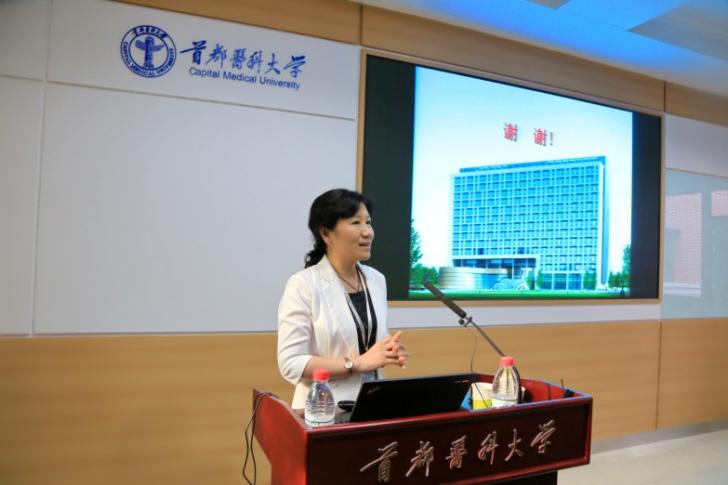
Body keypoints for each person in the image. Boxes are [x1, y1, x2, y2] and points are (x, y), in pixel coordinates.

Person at [277, 188, 409, 409]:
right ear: (326, 234)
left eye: (368, 222)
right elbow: (291, 363)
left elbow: (364, 340)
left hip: (372, 406)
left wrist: (387, 349)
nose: (368, 232)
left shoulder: (376, 280)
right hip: (324, 410)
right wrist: (356, 363)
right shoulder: (303, 284)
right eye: (356, 223)